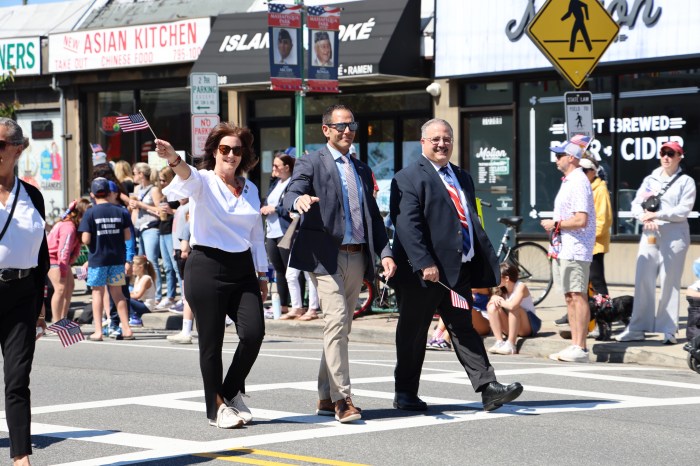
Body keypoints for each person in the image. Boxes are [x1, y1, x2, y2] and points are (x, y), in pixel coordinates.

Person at [389, 118, 522, 412]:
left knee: (463, 328)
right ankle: (405, 392)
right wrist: (424, 262)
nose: (441, 144)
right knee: (413, 332)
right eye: (435, 139)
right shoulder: (408, 177)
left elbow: (468, 220)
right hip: (423, 275)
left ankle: (489, 388)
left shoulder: (462, 176)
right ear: (423, 143)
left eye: (446, 138)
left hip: (457, 271)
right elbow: (407, 226)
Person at [283, 104, 396, 423]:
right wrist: (297, 201)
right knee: (335, 323)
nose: (347, 131)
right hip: (324, 256)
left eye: (352, 125)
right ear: (326, 130)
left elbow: (373, 216)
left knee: (341, 326)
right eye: (340, 126)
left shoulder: (360, 169)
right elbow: (291, 192)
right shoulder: (311, 162)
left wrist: (385, 253)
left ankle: (323, 395)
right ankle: (342, 399)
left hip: (357, 255)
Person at [157, 122, 268, 429]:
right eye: (224, 149)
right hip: (206, 265)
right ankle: (214, 407)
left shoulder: (251, 187)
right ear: (214, 152)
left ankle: (230, 391)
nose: (230, 155)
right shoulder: (203, 180)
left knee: (253, 333)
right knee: (212, 341)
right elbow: (186, 176)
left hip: (243, 267)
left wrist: (263, 273)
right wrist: (173, 159)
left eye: (236, 150)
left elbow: (256, 234)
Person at [0, 119, 49, 466]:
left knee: (18, 379)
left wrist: (41, 307)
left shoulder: (32, 195)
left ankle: (20, 457)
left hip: (22, 294)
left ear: (17, 149)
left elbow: (41, 255)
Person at [615, 141, 696, 345]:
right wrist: (643, 216)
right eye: (663, 152)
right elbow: (635, 203)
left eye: (671, 153)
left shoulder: (686, 182)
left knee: (670, 281)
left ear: (680, 156)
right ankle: (637, 327)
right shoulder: (651, 179)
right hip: (650, 233)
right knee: (643, 278)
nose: (666, 157)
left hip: (674, 234)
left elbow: (683, 210)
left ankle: (669, 329)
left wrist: (657, 215)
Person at [541, 139, 596, 363]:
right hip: (565, 247)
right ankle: (575, 344)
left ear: (571, 158)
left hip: (576, 248)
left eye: (559, 155)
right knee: (570, 296)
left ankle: (580, 347)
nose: (556, 159)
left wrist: (555, 224)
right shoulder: (570, 180)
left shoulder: (579, 181)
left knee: (577, 295)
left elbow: (581, 219)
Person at [553, 154, 612, 326]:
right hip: (579, 243)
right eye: (582, 169)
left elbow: (604, 219)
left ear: (594, 172)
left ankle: (605, 318)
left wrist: (591, 237)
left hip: (593, 244)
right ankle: (582, 318)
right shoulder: (580, 184)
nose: (584, 172)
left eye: (587, 170)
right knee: (578, 288)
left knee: (597, 284)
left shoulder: (599, 189)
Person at [79, 177, 135, 341]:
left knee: (97, 293)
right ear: (110, 192)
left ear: (92, 194)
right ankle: (127, 328)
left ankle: (98, 331)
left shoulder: (90, 212)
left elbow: (86, 239)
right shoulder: (120, 211)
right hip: (116, 259)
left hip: (98, 260)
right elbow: (127, 235)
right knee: (118, 294)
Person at [261, 152, 294, 317]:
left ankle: (296, 304)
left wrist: (275, 209)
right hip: (272, 230)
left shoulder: (291, 183)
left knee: (291, 269)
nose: (273, 169)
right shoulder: (275, 183)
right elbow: (268, 200)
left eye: (276, 166)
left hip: (284, 230)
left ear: (287, 168)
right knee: (278, 270)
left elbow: (290, 207)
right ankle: (282, 305)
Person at [46, 198, 91, 322]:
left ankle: (63, 318)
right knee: (60, 288)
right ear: (80, 214)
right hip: (53, 258)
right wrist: (64, 270)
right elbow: (63, 250)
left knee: (70, 286)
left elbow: (76, 247)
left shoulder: (76, 227)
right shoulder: (68, 227)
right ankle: (57, 322)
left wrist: (70, 262)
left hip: (62, 261)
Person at [486, 262, 542, 355]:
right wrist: (494, 298)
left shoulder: (521, 286)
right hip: (512, 325)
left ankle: (511, 344)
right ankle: (499, 342)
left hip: (529, 325)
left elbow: (512, 306)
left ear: (507, 278)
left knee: (515, 308)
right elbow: (492, 302)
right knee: (492, 306)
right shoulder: (502, 289)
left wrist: (500, 301)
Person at [129, 162, 163, 302]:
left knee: (151, 261)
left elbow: (160, 210)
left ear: (141, 174)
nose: (133, 176)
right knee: (140, 262)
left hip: (151, 228)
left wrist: (141, 204)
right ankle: (143, 293)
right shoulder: (136, 190)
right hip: (139, 228)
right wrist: (131, 207)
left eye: (135, 173)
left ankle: (158, 294)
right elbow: (134, 210)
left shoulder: (154, 190)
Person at [155, 166, 181, 310]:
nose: (162, 182)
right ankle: (170, 296)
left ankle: (183, 297)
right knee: (167, 267)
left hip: (173, 231)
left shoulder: (177, 195)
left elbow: (186, 211)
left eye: (164, 180)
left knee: (176, 266)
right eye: (160, 180)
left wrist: (171, 211)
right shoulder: (165, 194)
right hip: (163, 229)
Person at [128, 255, 157, 320]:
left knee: (126, 299)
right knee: (124, 298)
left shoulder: (146, 279)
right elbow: (134, 293)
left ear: (140, 267)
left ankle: (134, 318)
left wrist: (125, 295)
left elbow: (138, 296)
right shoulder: (138, 278)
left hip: (147, 306)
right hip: (140, 303)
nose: (131, 268)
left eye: (133, 266)